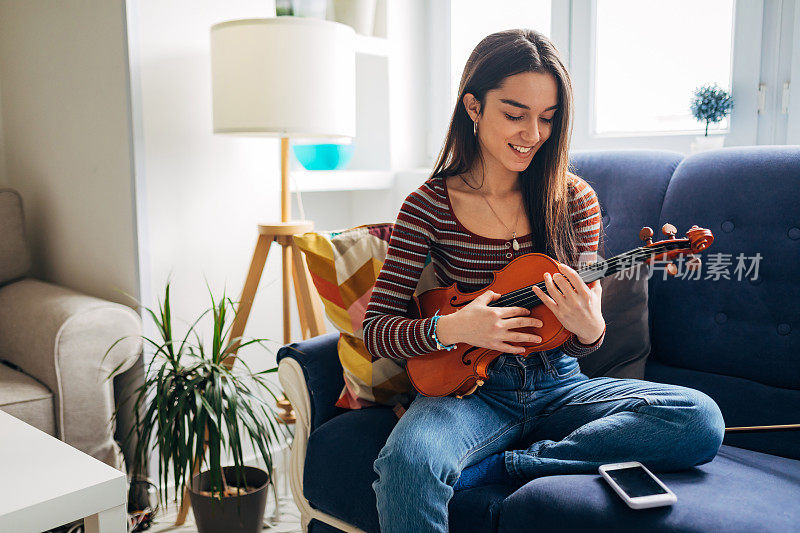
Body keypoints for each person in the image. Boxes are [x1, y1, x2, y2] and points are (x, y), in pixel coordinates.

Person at [362, 28, 725, 533]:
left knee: (700, 419)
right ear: (473, 106)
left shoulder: (576, 201)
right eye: (515, 114)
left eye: (547, 118)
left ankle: (508, 465)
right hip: (471, 394)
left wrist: (590, 327)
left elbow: (584, 344)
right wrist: (457, 328)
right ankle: (486, 457)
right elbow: (376, 330)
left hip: (560, 387)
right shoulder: (428, 206)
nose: (533, 133)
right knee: (406, 466)